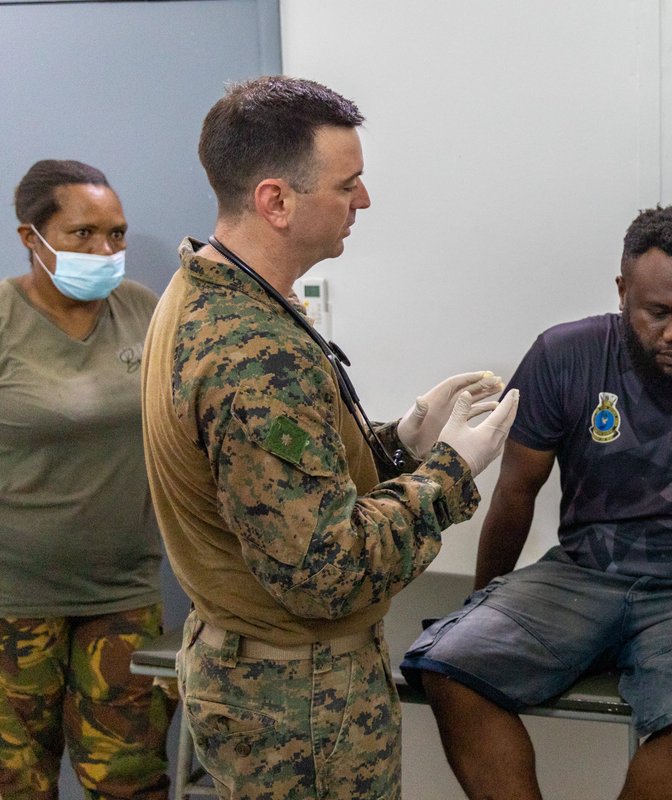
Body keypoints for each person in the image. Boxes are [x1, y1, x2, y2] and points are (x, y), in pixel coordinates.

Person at [140, 76, 519, 800]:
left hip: (271, 680)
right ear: (276, 200)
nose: (364, 202)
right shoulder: (251, 354)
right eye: (348, 185)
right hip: (298, 705)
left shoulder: (210, 291)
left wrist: (401, 444)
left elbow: (280, 484)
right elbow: (327, 571)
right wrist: (452, 471)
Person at [401, 205, 672, 800]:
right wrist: (486, 594)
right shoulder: (565, 356)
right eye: (658, 312)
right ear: (622, 291)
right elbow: (516, 490)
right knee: (450, 669)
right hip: (581, 576)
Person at [0, 160, 173, 799]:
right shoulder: (3, 319)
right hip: (14, 600)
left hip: (122, 592)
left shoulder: (142, 311)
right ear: (31, 237)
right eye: (83, 234)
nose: (105, 250)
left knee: (129, 780)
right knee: (16, 784)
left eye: (117, 233)